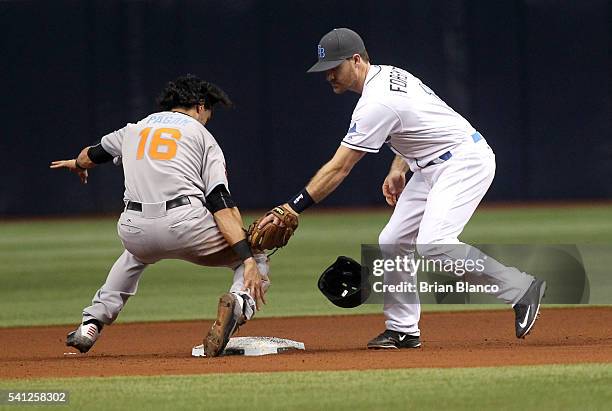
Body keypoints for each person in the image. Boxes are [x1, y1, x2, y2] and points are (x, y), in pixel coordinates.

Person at [258, 28, 546, 349]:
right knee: (392, 241)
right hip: (428, 165)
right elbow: (412, 125)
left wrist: (293, 206)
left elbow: (339, 167)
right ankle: (403, 329)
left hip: (463, 161)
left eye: (334, 68)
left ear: (356, 60)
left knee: (434, 244)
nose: (329, 76)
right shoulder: (388, 75)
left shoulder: (376, 102)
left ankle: (520, 288)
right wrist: (398, 168)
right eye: (325, 70)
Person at [50, 74, 269, 357]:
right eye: (209, 111)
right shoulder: (202, 135)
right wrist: (247, 255)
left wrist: (77, 164)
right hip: (185, 225)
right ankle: (239, 303)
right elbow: (219, 201)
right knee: (257, 256)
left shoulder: (134, 129)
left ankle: (90, 324)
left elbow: (93, 154)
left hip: (134, 229)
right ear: (200, 106)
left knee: (134, 256)